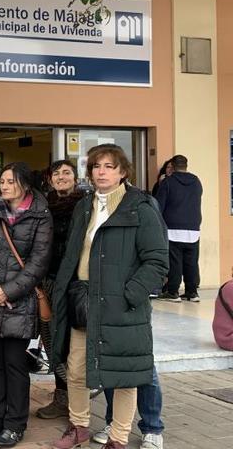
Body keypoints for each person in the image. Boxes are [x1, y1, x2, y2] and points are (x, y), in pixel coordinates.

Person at [51, 144, 168, 449]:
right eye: (95, 167)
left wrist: (131, 294)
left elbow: (157, 260)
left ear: (123, 172)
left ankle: (117, 437)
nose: (101, 172)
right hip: (84, 301)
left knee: (123, 375)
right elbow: (73, 253)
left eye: (108, 166)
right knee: (75, 368)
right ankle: (79, 427)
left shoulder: (140, 207)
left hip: (122, 305)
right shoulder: (84, 206)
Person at [0, 162, 52, 448]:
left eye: (8, 181)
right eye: (1, 181)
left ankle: (15, 424)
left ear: (24, 184)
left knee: (15, 365)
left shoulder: (41, 214)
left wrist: (8, 291)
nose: (2, 185)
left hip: (18, 301)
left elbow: (39, 262)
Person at [35, 160, 86, 420]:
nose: (62, 177)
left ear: (75, 178)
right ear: (50, 179)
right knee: (53, 341)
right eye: (56, 173)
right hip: (49, 282)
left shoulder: (85, 205)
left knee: (75, 344)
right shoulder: (43, 206)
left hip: (77, 283)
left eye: (67, 172)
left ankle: (78, 400)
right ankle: (61, 396)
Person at [156, 154, 203, 302]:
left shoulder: (168, 182)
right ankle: (192, 292)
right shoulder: (196, 181)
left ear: (173, 166)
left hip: (173, 227)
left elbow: (158, 205)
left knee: (175, 261)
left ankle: (172, 292)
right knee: (191, 262)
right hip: (193, 227)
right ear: (186, 166)